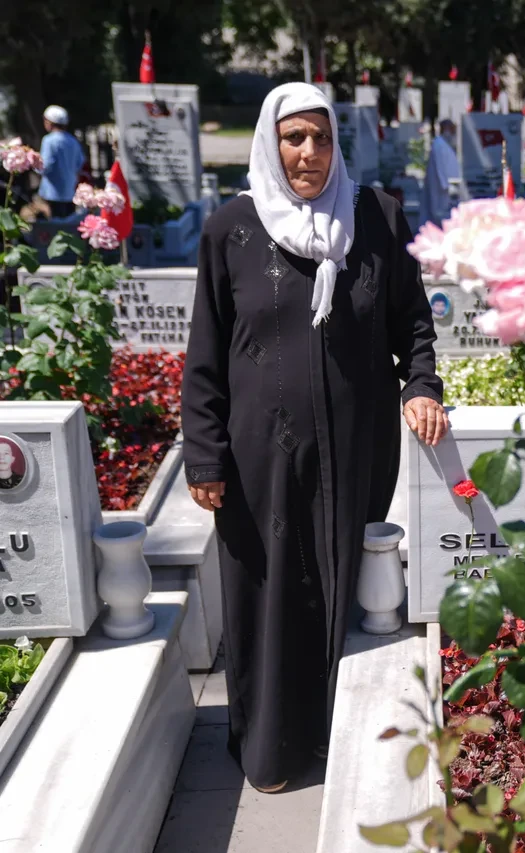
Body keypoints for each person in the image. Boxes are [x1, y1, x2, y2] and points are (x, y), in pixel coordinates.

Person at [181, 82, 450, 794]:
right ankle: (271, 749)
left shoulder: (375, 218)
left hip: (357, 451)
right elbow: (205, 353)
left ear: (338, 143)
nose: (308, 153)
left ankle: (348, 741)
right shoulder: (231, 229)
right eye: (293, 138)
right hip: (257, 460)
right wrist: (204, 452)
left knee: (343, 589)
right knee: (268, 597)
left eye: (321, 138)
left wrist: (422, 385)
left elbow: (412, 324)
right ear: (271, 143)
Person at [38, 105, 84, 218]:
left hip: (52, 193)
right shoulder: (73, 141)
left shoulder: (48, 140)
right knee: (68, 225)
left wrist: (33, 165)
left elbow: (45, 166)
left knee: (54, 226)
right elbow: (80, 163)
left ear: (49, 122)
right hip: (70, 191)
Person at [426, 119, 460, 225]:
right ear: (446, 129)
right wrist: (446, 185)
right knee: (439, 212)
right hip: (442, 188)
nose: (454, 133)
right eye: (452, 129)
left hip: (447, 187)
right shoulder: (439, 144)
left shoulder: (444, 144)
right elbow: (440, 167)